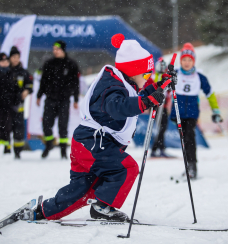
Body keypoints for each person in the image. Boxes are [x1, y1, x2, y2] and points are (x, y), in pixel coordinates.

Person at [20, 34, 172, 222]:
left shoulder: (124, 81)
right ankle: (101, 208)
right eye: (147, 74)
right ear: (133, 71)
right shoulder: (111, 86)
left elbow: (140, 94)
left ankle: (41, 212)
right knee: (127, 168)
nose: (149, 78)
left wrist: (161, 85)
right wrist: (147, 101)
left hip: (88, 143)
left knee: (82, 192)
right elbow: (119, 107)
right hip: (91, 143)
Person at [170, 43, 222, 179]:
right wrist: (162, 74)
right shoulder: (174, 73)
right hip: (177, 113)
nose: (187, 63)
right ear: (180, 60)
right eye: (184, 60)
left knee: (189, 137)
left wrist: (215, 110)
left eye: (190, 60)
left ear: (194, 61)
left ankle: (192, 166)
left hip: (191, 113)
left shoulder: (199, 76)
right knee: (184, 140)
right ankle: (188, 165)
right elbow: (160, 85)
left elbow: (209, 93)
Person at [36, 40, 80, 159]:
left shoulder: (71, 64)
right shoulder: (49, 63)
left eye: (57, 49)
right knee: (46, 124)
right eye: (54, 49)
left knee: (63, 126)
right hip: (50, 98)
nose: (55, 51)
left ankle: (63, 150)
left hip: (64, 99)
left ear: (63, 50)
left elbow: (76, 83)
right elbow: (43, 81)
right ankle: (49, 143)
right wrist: (39, 96)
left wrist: (76, 99)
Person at [8, 46, 33, 158]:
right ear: (10, 58)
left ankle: (18, 152)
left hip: (19, 106)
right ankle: (6, 151)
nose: (16, 59)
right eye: (14, 57)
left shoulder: (23, 72)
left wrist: (27, 90)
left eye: (17, 57)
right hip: (6, 106)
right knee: (6, 128)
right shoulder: (6, 71)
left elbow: (30, 84)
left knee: (18, 129)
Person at [150, 57, 173, 158]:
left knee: (163, 127)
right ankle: (158, 148)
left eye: (164, 66)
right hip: (157, 106)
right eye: (161, 66)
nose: (163, 68)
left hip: (163, 106)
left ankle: (157, 148)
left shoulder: (165, 76)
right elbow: (154, 86)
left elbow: (169, 91)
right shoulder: (155, 76)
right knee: (161, 127)